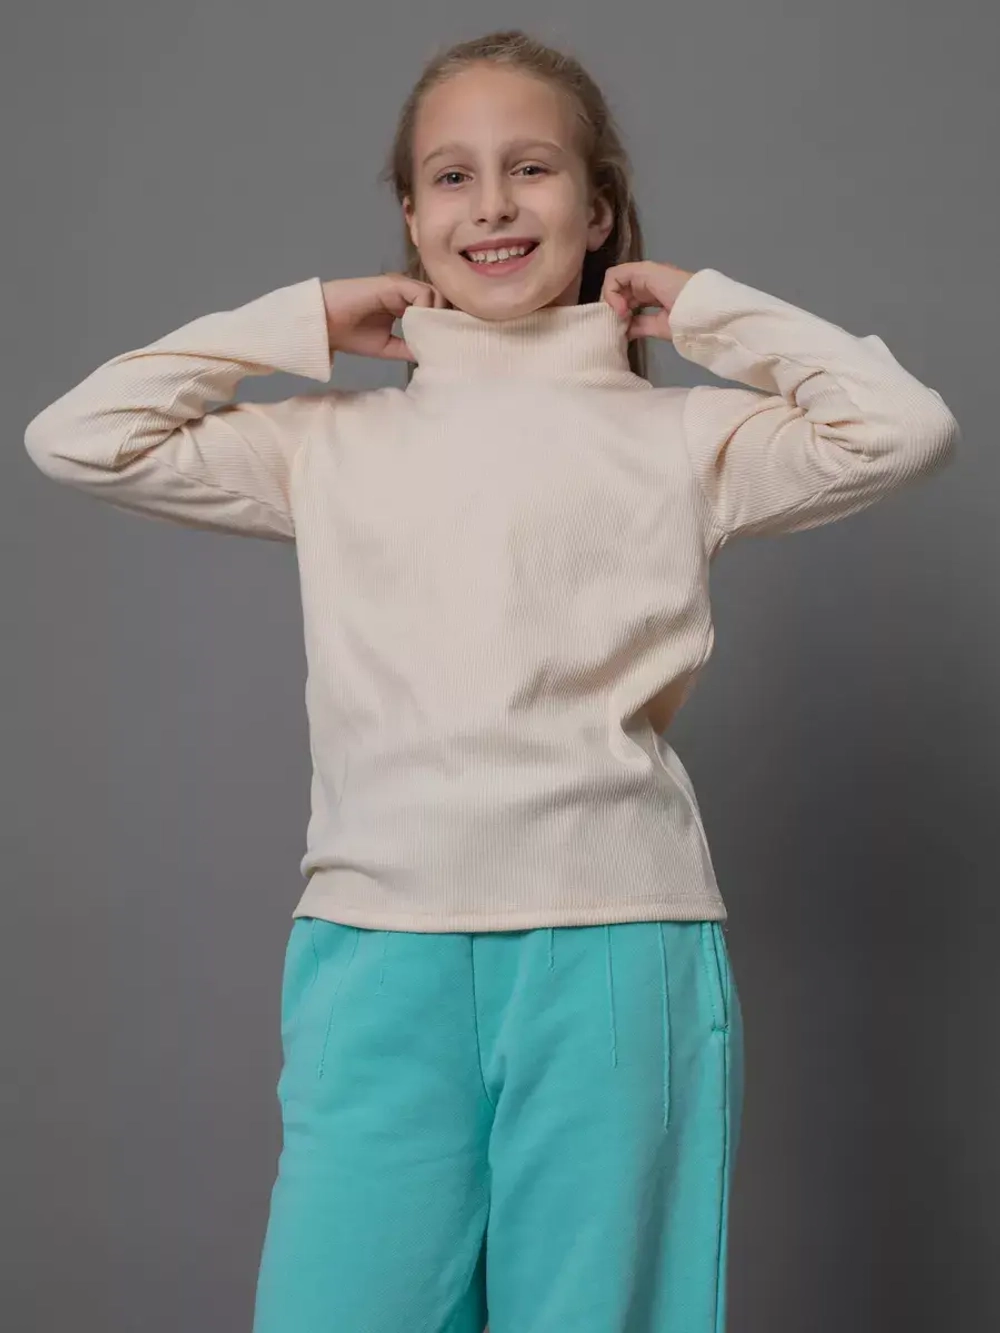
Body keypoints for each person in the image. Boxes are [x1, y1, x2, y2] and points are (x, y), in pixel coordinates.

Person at [23, 27, 959, 1333]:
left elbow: (905, 428)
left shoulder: (685, 436)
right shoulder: (329, 445)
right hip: (374, 953)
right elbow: (78, 438)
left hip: (618, 953)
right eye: (451, 176)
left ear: (598, 210)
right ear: (411, 219)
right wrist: (301, 323)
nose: (494, 204)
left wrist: (705, 310)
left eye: (532, 168)